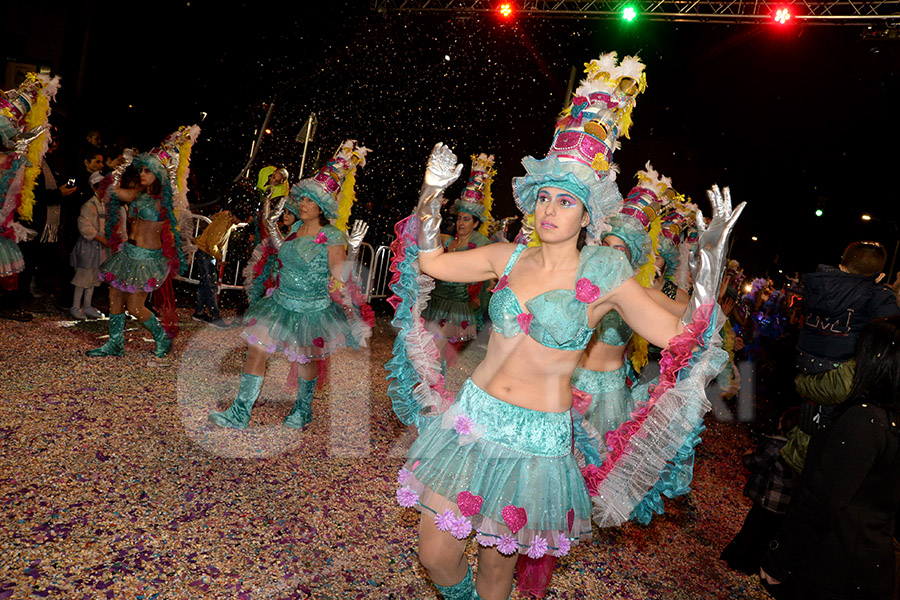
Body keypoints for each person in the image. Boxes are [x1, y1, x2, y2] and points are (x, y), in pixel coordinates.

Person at [388, 53, 743, 600]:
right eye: (544, 197)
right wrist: (432, 192)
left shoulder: (606, 273)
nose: (550, 210)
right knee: (434, 553)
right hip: (474, 419)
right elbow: (430, 262)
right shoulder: (508, 255)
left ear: (587, 214)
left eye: (566, 200)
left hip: (537, 443)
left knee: (496, 573)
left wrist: (709, 265)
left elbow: (679, 339)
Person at [210, 140, 373, 430]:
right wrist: (272, 225)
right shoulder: (296, 228)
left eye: (311, 201)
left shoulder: (333, 236)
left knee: (305, 361)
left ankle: (302, 409)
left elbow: (342, 275)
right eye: (305, 199)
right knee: (256, 348)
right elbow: (284, 252)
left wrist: (356, 250)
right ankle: (240, 412)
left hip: (311, 310)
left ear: (323, 206)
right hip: (281, 302)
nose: (304, 205)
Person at [760, 316, 900, 600]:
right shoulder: (889, 419)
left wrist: (779, 557)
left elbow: (823, 500)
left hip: (831, 567)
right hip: (869, 564)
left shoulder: (865, 420)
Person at [86, 125, 200, 358]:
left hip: (147, 259)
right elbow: (109, 191)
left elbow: (178, 215)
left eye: (148, 171)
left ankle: (162, 337)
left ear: (159, 174)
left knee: (136, 307)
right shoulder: (138, 193)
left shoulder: (166, 202)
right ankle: (115, 344)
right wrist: (120, 168)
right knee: (114, 299)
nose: (142, 174)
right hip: (128, 253)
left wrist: (173, 162)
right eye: (142, 170)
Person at [421, 153, 495, 373]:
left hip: (456, 307)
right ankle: (435, 392)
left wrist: (479, 294)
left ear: (475, 223)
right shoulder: (447, 240)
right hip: (436, 303)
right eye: (459, 218)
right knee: (434, 351)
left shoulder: (480, 243)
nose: (461, 223)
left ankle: (433, 393)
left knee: (435, 348)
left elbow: (487, 270)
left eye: (466, 219)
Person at [69, 171, 115, 319]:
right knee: (83, 278)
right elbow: (84, 227)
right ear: (95, 188)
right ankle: (76, 306)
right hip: (89, 246)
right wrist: (101, 239)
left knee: (94, 278)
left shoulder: (103, 205)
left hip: (99, 248)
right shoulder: (89, 205)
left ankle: (87, 305)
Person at [192, 206, 242, 328]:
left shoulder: (225, 218)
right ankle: (214, 316)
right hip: (207, 254)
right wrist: (219, 256)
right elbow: (212, 243)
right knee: (211, 286)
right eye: (239, 219)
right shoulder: (224, 222)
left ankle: (199, 312)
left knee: (205, 283)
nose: (239, 222)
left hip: (205, 253)